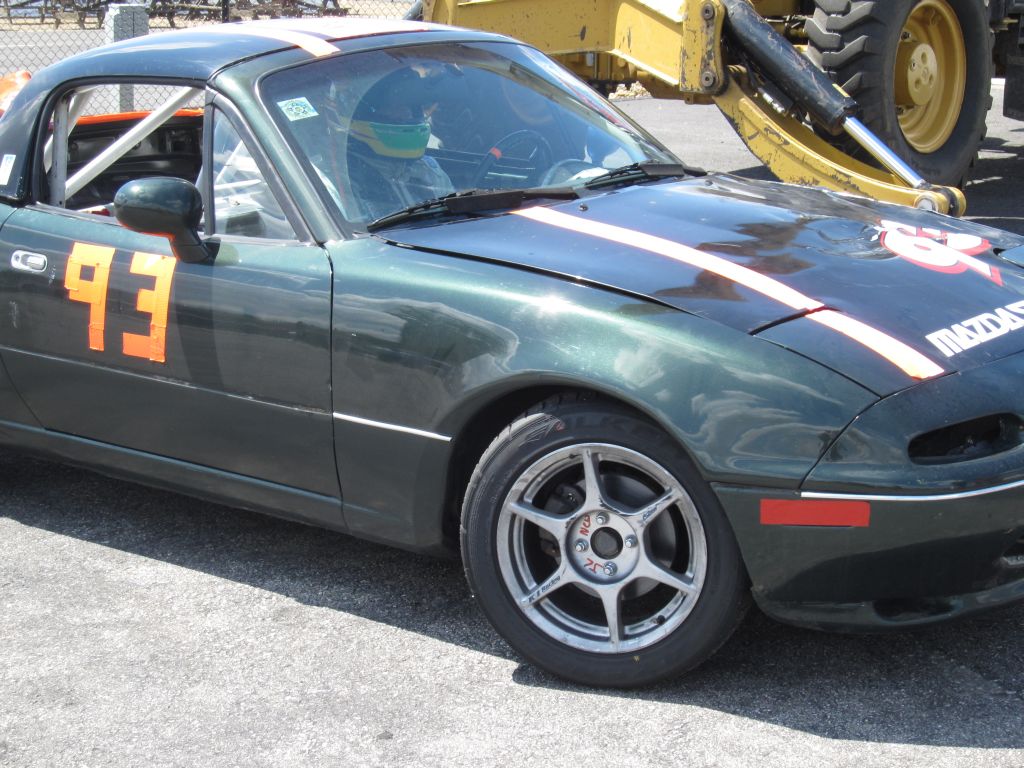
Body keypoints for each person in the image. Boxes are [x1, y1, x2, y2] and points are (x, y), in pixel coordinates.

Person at [344, 67, 454, 222]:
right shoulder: (348, 179)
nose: (407, 113)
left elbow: (455, 219)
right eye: (395, 107)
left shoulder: (430, 170)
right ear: (367, 112)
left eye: (412, 107)